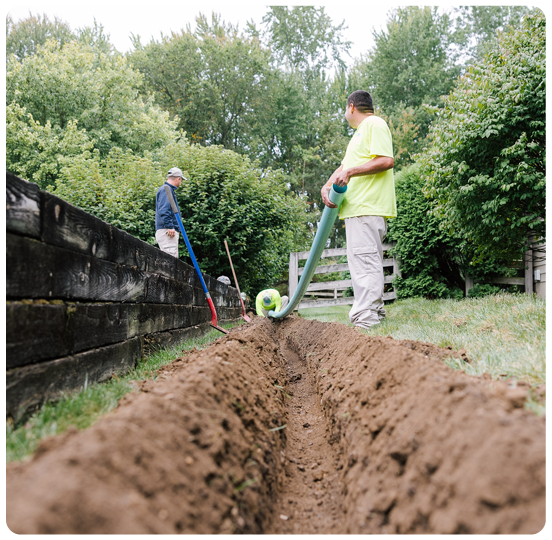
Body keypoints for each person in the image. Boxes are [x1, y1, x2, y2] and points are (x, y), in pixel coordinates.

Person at [321, 90, 396, 329]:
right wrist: (327, 184)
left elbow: (386, 160)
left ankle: (366, 320)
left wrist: (351, 173)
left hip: (366, 208)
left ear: (351, 107)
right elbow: (344, 167)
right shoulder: (359, 136)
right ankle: (375, 313)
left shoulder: (374, 123)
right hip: (359, 210)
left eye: (345, 109)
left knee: (365, 263)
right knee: (366, 262)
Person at [155, 167, 186, 257]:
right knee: (170, 261)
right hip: (167, 231)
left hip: (167, 231)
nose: (180, 182)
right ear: (178, 178)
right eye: (181, 180)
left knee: (171, 260)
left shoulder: (167, 189)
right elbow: (164, 210)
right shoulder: (166, 190)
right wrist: (170, 226)